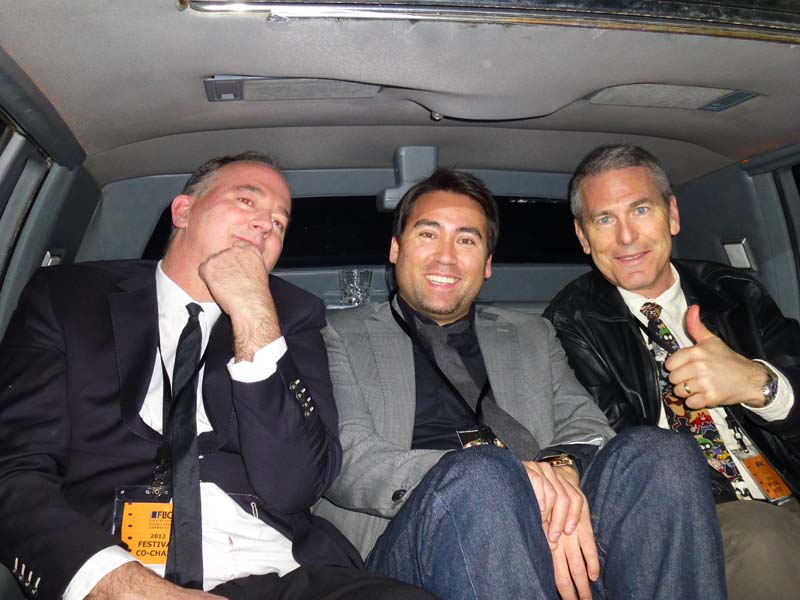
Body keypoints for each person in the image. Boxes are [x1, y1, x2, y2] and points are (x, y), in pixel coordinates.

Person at [0, 152, 434, 600]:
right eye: (246, 201)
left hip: (283, 574)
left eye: (280, 222)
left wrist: (254, 314)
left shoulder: (294, 315)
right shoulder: (69, 298)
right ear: (183, 211)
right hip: (118, 571)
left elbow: (295, 486)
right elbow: (14, 471)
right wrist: (116, 583)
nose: (265, 224)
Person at [314, 167, 726, 600]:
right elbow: (347, 457)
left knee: (663, 452)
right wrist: (509, 478)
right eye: (428, 235)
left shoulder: (531, 333)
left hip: (553, 524)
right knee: (484, 474)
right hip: (409, 545)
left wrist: (560, 474)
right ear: (396, 248)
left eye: (467, 241)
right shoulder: (338, 333)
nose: (446, 257)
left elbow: (588, 427)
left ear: (487, 263)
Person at [544, 143, 800, 599]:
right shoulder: (571, 323)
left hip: (788, 483)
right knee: (764, 541)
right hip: (701, 511)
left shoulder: (735, 292)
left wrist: (755, 383)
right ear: (584, 237)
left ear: (673, 216)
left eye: (641, 210)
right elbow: (612, 447)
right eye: (604, 220)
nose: (627, 237)